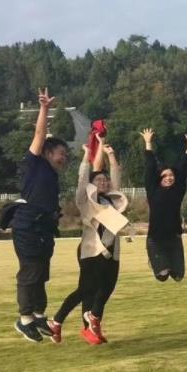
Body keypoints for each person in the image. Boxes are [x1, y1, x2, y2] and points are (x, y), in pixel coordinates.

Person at [51, 139, 131, 345]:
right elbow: (83, 178)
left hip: (112, 251)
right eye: (99, 180)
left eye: (105, 180)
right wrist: (87, 154)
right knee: (87, 289)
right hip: (91, 250)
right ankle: (58, 321)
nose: (103, 182)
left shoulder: (113, 200)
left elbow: (116, 176)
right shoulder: (85, 200)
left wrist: (110, 155)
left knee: (107, 287)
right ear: (92, 184)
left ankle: (92, 322)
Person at [8, 88, 68, 343]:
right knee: (30, 271)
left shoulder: (52, 175)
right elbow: (40, 134)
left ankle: (39, 315)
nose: (64, 158)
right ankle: (24, 320)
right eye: (61, 153)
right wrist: (44, 108)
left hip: (43, 229)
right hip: (27, 227)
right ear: (47, 153)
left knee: (42, 273)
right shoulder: (34, 164)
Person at [141, 128, 187, 282]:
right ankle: (155, 260)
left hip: (174, 238)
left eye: (171, 175)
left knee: (178, 276)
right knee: (163, 276)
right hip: (156, 238)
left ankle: (169, 263)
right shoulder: (152, 189)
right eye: (165, 175)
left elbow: (183, 167)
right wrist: (148, 143)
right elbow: (150, 166)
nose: (169, 178)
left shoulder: (178, 190)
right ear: (159, 178)